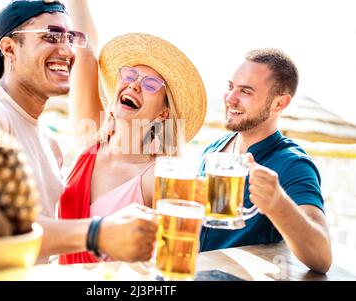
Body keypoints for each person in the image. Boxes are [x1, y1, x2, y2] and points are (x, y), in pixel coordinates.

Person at [0, 0, 157, 263]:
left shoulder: (51, 146)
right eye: (51, 37)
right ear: (9, 48)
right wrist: (97, 233)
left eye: (70, 38)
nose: (66, 50)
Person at [57, 0, 207, 264]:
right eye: (129, 75)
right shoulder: (89, 141)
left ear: (164, 112)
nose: (135, 85)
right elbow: (85, 53)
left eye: (150, 84)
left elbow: (177, 254)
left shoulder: (159, 176)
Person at [198, 48, 332, 273]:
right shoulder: (215, 148)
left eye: (245, 91)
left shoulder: (293, 164)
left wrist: (278, 204)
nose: (230, 98)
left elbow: (322, 257)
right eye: (231, 87)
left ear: (279, 103)